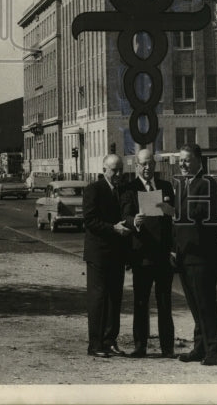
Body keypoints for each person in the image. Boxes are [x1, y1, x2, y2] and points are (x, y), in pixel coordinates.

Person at [120, 148, 176, 358]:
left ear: (155, 165)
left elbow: (172, 220)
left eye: (150, 163)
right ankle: (140, 346)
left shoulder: (165, 186)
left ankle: (167, 347)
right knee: (141, 302)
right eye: (143, 164)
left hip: (162, 256)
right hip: (142, 255)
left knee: (164, 302)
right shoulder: (129, 189)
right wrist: (134, 221)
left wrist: (173, 250)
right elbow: (124, 214)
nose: (147, 167)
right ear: (136, 166)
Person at [174, 143, 217, 367]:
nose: (182, 164)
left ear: (198, 161)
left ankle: (212, 351)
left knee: (206, 305)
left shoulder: (207, 183)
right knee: (195, 305)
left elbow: (198, 213)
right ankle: (200, 347)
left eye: (186, 160)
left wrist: (172, 211)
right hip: (186, 255)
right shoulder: (185, 184)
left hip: (203, 256)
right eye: (180, 160)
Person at [82, 153, 131, 358]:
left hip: (117, 254)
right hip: (99, 254)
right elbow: (90, 220)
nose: (118, 173)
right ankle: (95, 344)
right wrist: (114, 228)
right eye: (114, 170)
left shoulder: (123, 190)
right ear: (104, 170)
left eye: (120, 169)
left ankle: (110, 340)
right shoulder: (94, 189)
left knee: (115, 298)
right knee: (98, 298)